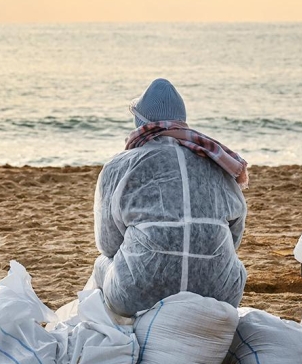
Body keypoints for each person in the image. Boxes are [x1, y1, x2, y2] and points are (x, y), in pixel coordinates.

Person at [90, 78, 248, 317]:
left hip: (136, 297)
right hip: (220, 295)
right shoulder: (216, 161)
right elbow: (234, 238)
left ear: (140, 122)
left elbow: (108, 244)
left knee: (102, 263)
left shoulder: (120, 165)